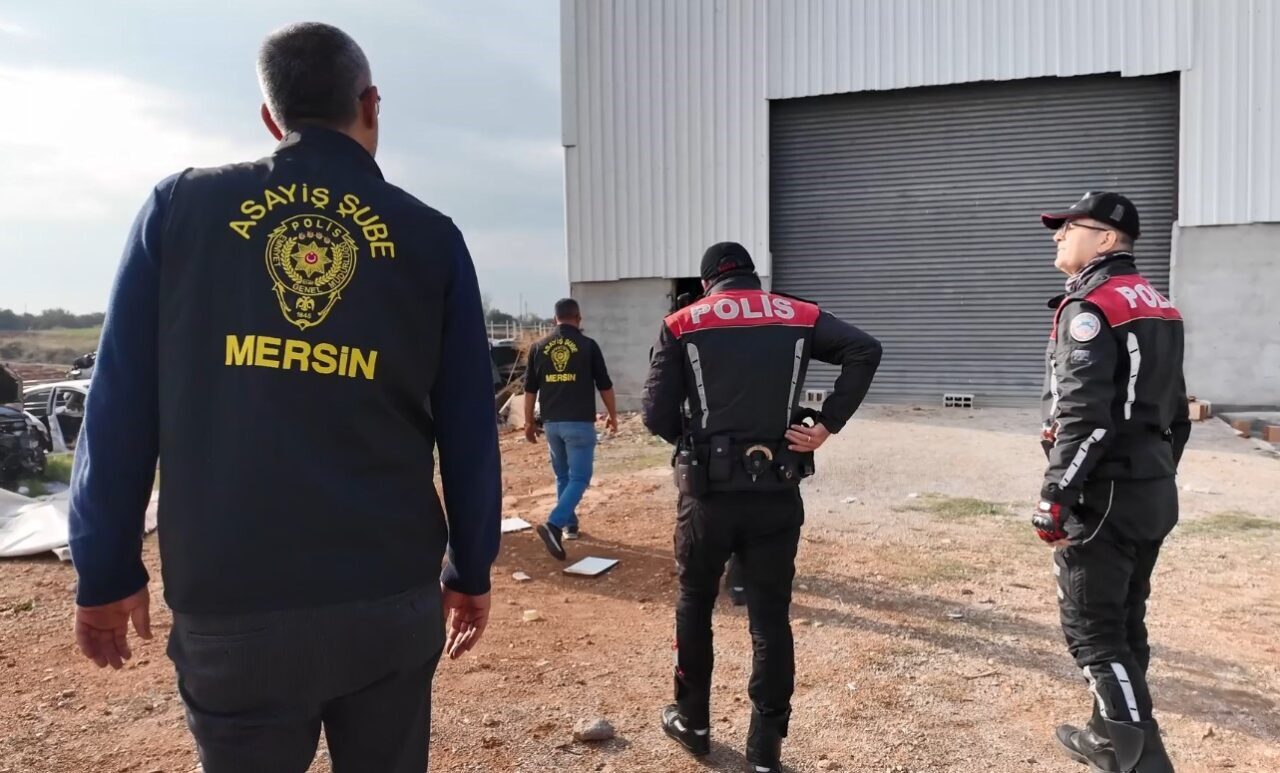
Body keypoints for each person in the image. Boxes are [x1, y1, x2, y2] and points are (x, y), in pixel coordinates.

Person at [67, 22, 501, 773]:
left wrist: (106, 568)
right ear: (371, 104)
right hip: (386, 597)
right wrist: (470, 568)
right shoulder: (429, 237)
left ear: (272, 119)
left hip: (233, 602)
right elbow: (468, 427)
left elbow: (119, 407)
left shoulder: (181, 208)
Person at [642, 242, 882, 773]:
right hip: (776, 488)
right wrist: (826, 423)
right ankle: (766, 749)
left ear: (707, 282)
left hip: (707, 496)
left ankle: (693, 723)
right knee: (770, 616)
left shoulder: (682, 322)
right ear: (753, 275)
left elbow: (655, 414)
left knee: (694, 602)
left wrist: (697, 442)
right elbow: (865, 349)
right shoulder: (797, 314)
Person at [1034, 192, 1187, 773]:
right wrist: (1158, 471)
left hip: (1106, 492)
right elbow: (1177, 412)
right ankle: (1105, 737)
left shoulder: (1092, 305)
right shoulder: (1159, 304)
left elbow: (1085, 417)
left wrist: (1056, 494)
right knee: (1124, 620)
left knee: (1094, 632)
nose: (1058, 235)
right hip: (1151, 484)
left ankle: (1142, 761)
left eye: (1069, 227)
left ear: (1105, 238)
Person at [526, 298, 617, 559]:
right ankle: (554, 524)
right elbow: (605, 384)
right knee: (580, 478)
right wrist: (613, 415)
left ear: (555, 319)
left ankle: (570, 525)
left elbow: (530, 389)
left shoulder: (538, 347)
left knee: (563, 476)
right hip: (579, 423)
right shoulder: (588, 346)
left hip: (552, 424)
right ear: (578, 318)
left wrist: (529, 422)